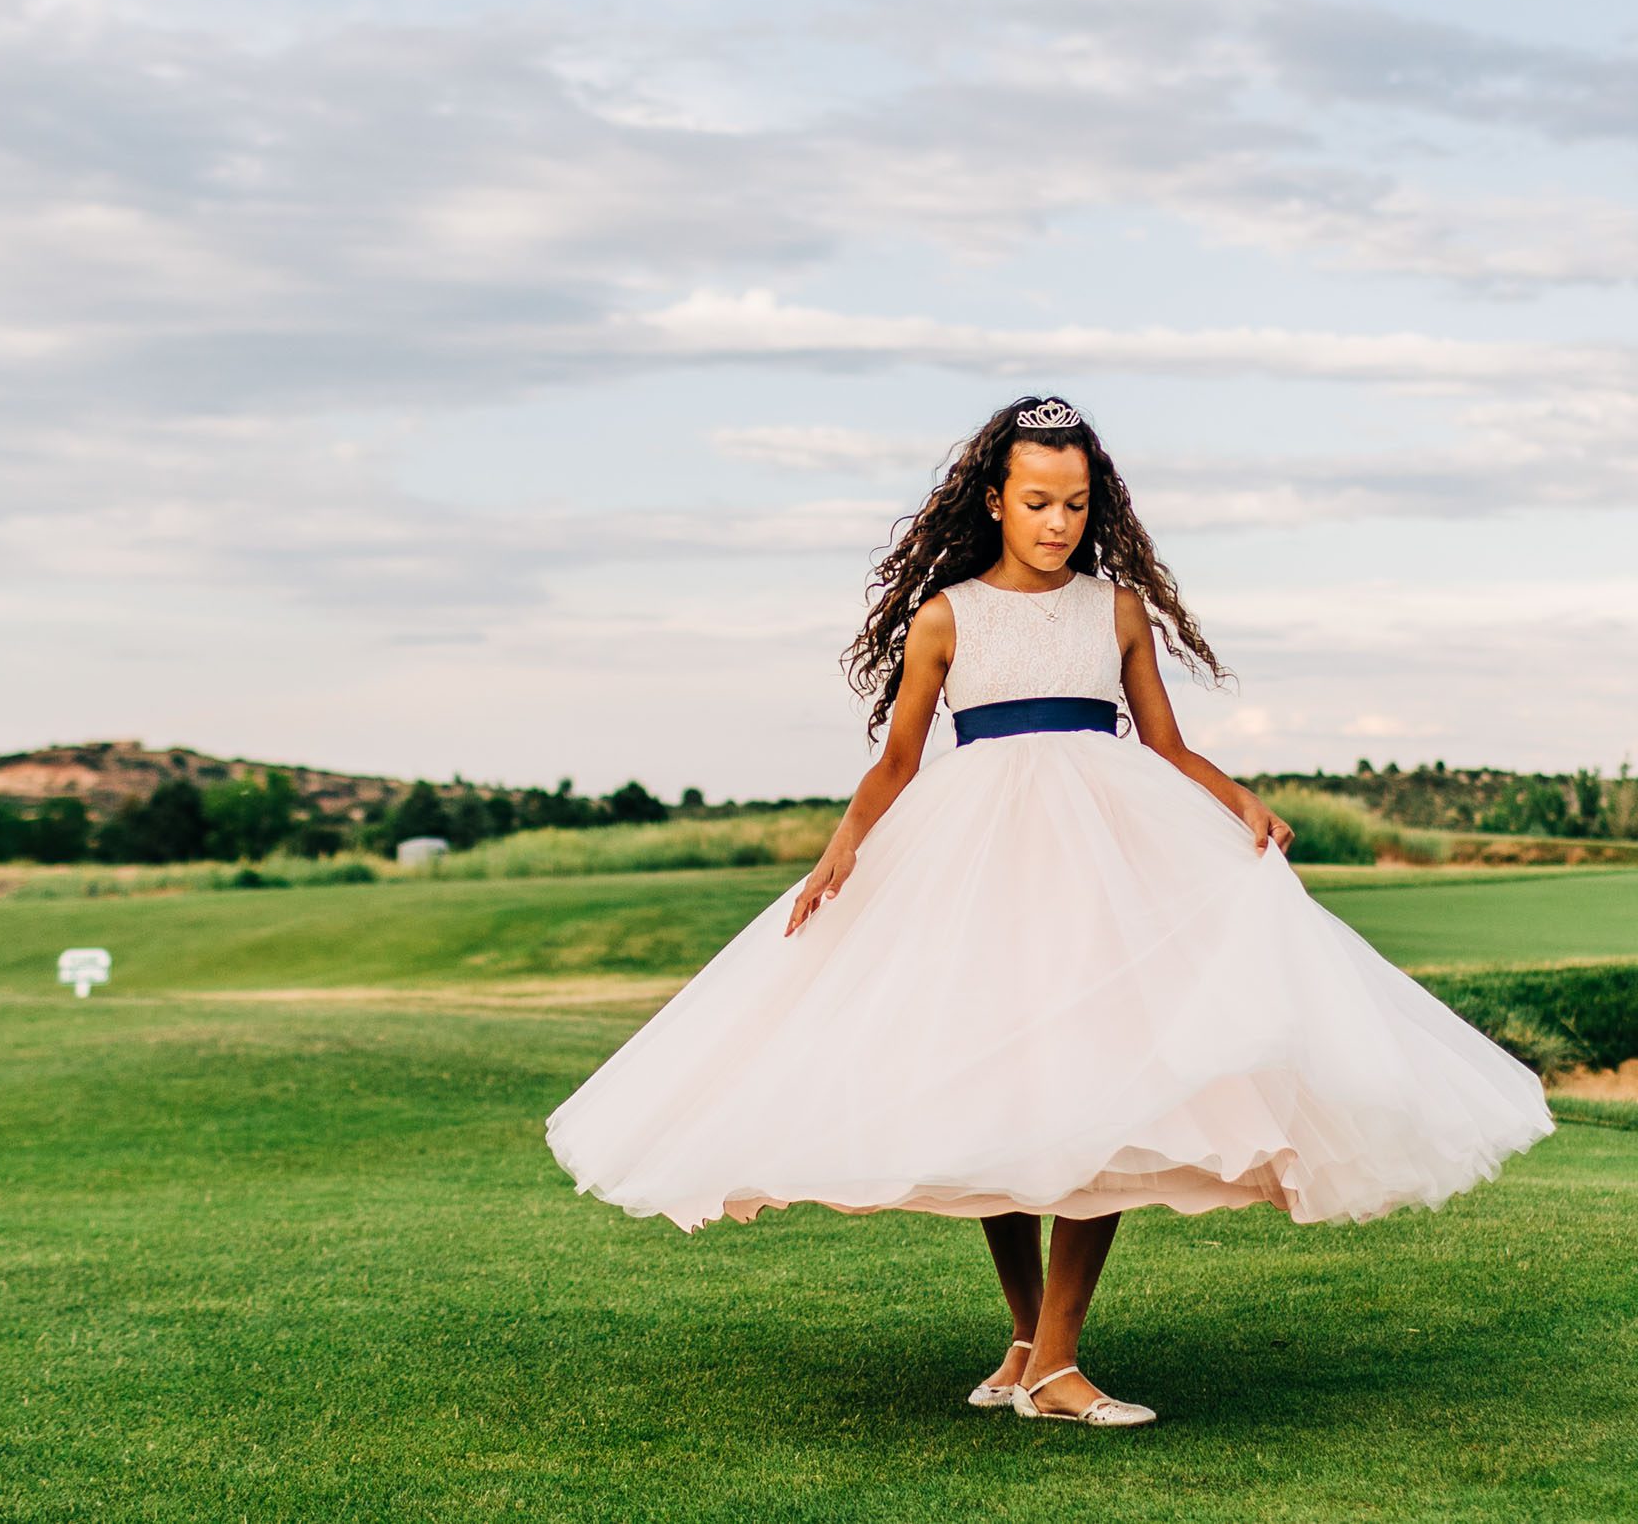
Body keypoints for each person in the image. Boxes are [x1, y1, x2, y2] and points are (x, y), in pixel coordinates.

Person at [544, 395, 1557, 1428]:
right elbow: (898, 759)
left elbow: (1162, 739)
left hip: (1108, 850)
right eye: (1036, 500)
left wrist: (1235, 795)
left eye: (1075, 502)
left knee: (1112, 1081)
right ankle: (1030, 1338)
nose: (1056, 522)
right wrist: (841, 849)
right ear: (994, 500)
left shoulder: (1113, 608)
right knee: (1006, 1086)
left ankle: (1058, 1358)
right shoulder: (947, 616)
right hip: (980, 854)